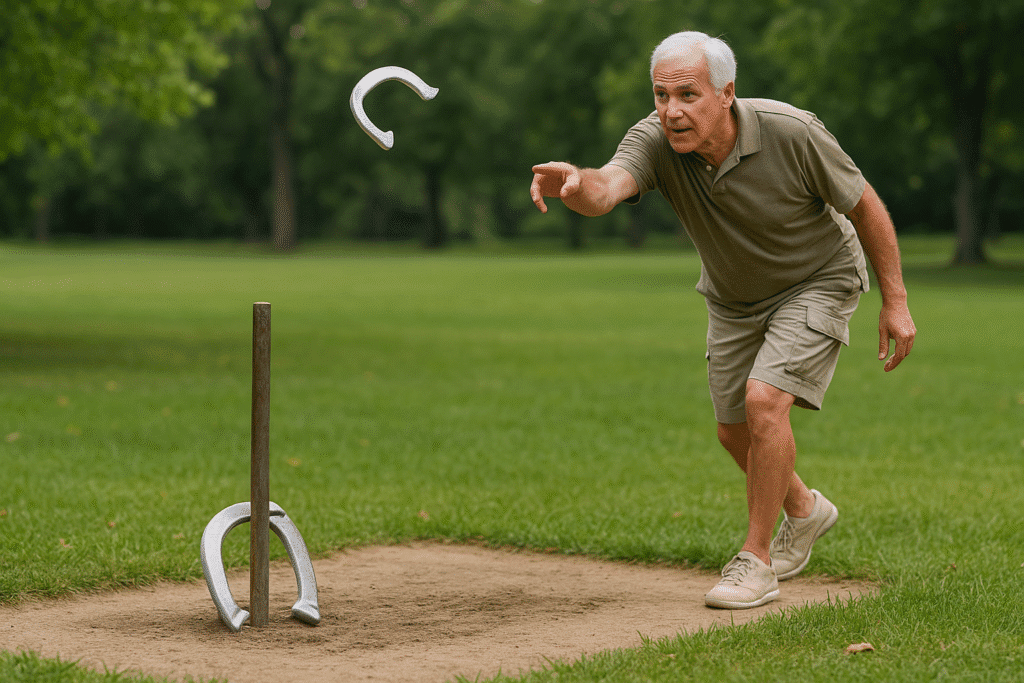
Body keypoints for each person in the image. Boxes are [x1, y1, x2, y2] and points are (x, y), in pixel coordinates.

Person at [530, 31, 916, 609]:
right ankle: (805, 512)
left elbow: (864, 205)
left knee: (765, 401)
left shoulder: (792, 131)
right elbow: (609, 187)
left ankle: (756, 562)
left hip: (818, 279)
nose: (671, 110)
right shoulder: (655, 140)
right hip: (735, 297)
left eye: (687, 95)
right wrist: (577, 186)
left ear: (726, 92)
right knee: (733, 430)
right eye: (661, 95)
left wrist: (896, 299)